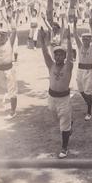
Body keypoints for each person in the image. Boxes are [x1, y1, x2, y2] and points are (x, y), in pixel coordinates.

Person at [38, 26, 73, 159]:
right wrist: (42, 40)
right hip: (51, 98)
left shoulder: (68, 66)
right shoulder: (50, 65)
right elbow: (44, 52)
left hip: (64, 99)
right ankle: (69, 126)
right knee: (56, 118)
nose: (58, 56)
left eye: (61, 54)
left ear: (64, 56)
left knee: (64, 124)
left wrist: (69, 40)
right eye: (56, 54)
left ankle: (64, 148)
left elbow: (70, 54)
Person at [74, 16, 92, 121]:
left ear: (90, 40)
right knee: (81, 90)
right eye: (84, 39)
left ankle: (89, 111)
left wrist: (91, 26)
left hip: (88, 71)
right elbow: (75, 35)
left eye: (87, 39)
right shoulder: (80, 46)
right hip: (80, 70)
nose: (85, 41)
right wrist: (74, 24)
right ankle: (88, 103)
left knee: (88, 91)